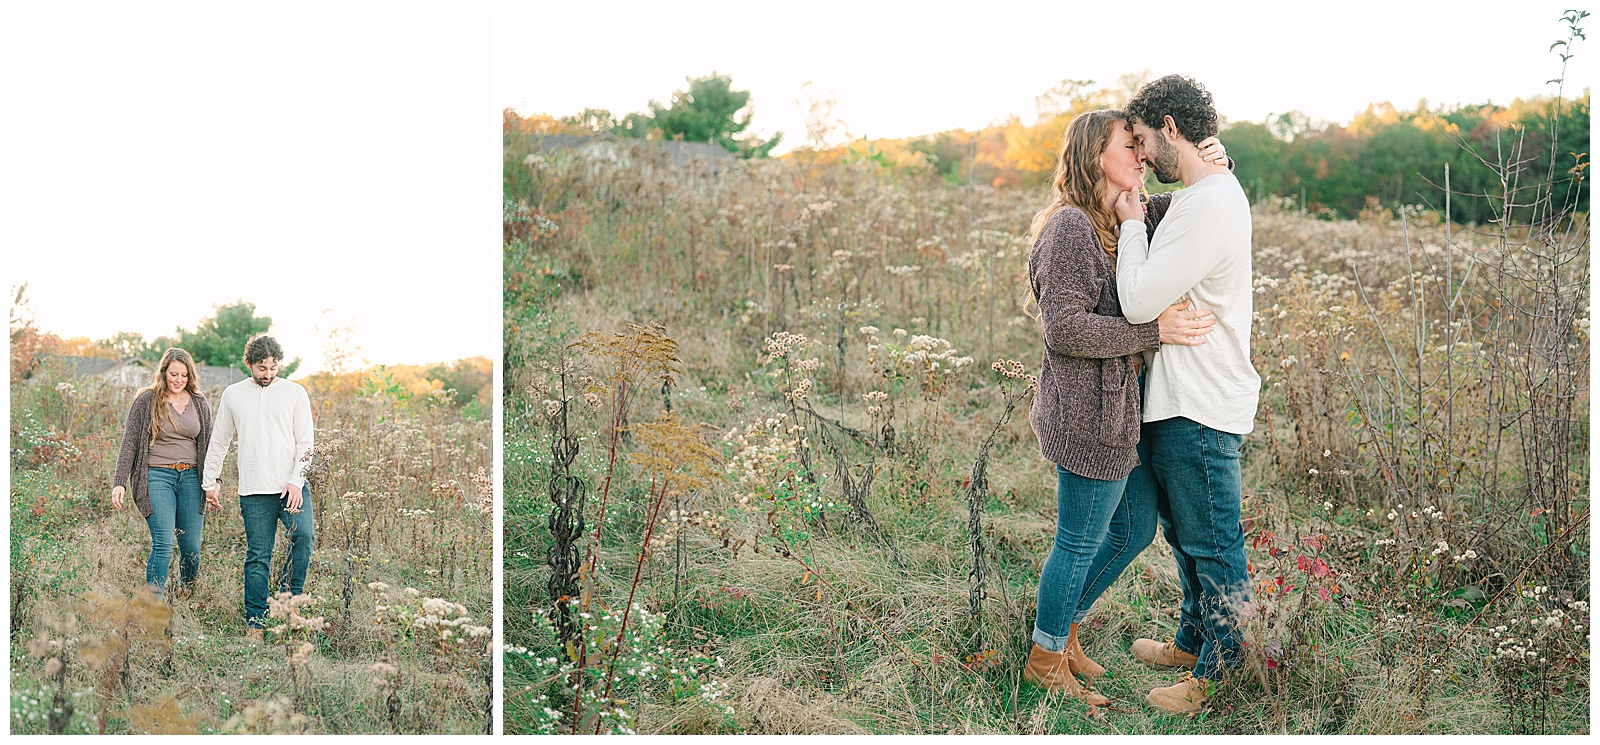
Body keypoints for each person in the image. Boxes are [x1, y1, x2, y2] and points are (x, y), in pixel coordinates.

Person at [1023, 107, 1226, 705]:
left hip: (1119, 416)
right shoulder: (1069, 229)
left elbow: (1191, 210)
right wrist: (1152, 331)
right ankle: (1044, 656)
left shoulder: (1121, 216)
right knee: (1078, 540)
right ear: (1094, 155)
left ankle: (1067, 628)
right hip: (1085, 415)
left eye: (1142, 145)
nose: (1142, 155)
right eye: (1128, 146)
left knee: (1134, 529)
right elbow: (1063, 329)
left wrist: (1214, 167)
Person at [1112, 74, 1261, 714]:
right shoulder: (1208, 193)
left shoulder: (1209, 204)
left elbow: (1139, 299)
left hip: (1199, 400)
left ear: (1171, 125)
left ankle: (1219, 677)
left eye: (1143, 140)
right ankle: (1193, 641)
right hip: (1182, 396)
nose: (1141, 156)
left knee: (1213, 542)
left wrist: (1130, 225)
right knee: (1187, 538)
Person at [202, 333, 316, 641]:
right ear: (248, 364)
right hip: (254, 488)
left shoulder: (294, 393)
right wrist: (210, 481)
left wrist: (296, 480)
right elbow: (220, 440)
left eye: (273, 368)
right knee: (258, 555)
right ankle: (255, 620)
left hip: (291, 485)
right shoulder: (233, 394)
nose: (268, 374)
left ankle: (288, 604)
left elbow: (306, 442)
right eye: (262, 368)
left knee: (303, 537)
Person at [112, 348, 214, 599]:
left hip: (192, 478)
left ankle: (186, 592)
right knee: (164, 543)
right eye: (173, 374)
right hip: (156, 477)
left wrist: (215, 480)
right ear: (164, 373)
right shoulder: (146, 400)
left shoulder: (199, 403)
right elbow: (130, 442)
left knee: (191, 548)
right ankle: (153, 606)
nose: (178, 380)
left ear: (190, 376)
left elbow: (210, 444)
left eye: (184, 375)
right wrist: (120, 482)